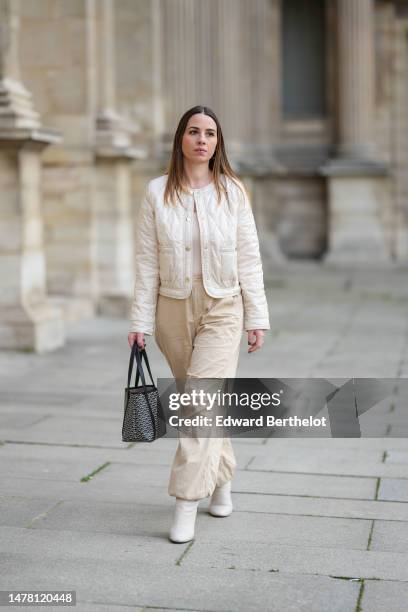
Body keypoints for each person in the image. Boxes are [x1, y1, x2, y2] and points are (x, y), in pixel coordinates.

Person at [127, 105, 270, 543]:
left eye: (209, 133)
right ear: (181, 140)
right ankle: (222, 478)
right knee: (202, 403)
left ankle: (185, 504)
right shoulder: (156, 192)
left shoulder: (232, 192)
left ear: (217, 143)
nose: (202, 139)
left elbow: (249, 256)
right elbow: (147, 261)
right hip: (172, 307)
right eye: (194, 131)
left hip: (224, 305)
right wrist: (140, 320)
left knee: (199, 406)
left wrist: (257, 316)